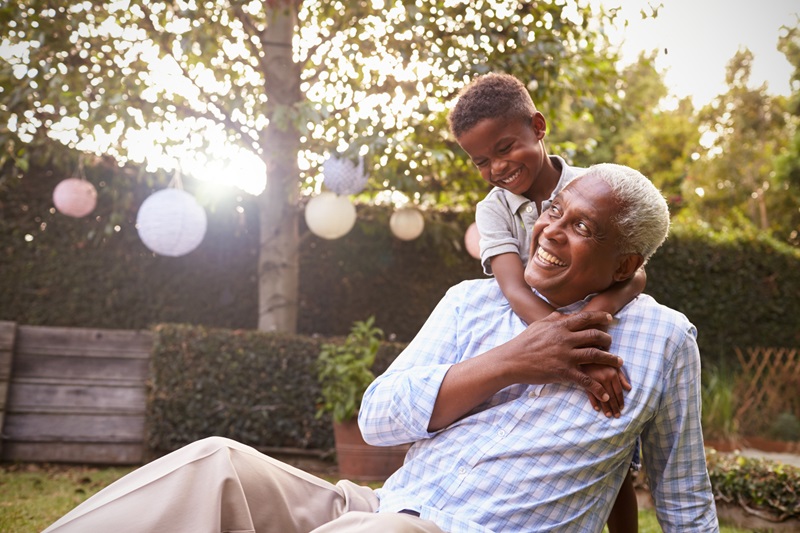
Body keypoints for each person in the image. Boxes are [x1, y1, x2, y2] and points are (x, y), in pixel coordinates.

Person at [43, 163, 718, 533]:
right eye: (553, 209)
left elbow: (684, 499)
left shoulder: (663, 339)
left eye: (581, 225)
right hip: (384, 505)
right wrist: (515, 359)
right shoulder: (472, 301)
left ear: (625, 258)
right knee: (214, 465)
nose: (550, 229)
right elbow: (378, 418)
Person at [449, 72, 643, 529]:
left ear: (538, 127)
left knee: (610, 460)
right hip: (531, 336)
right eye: (480, 161)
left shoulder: (593, 186)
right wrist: (569, 346)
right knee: (546, 446)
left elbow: (636, 276)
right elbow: (514, 288)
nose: (496, 169)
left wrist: (590, 333)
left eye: (504, 148)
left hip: (596, 332)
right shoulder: (493, 209)